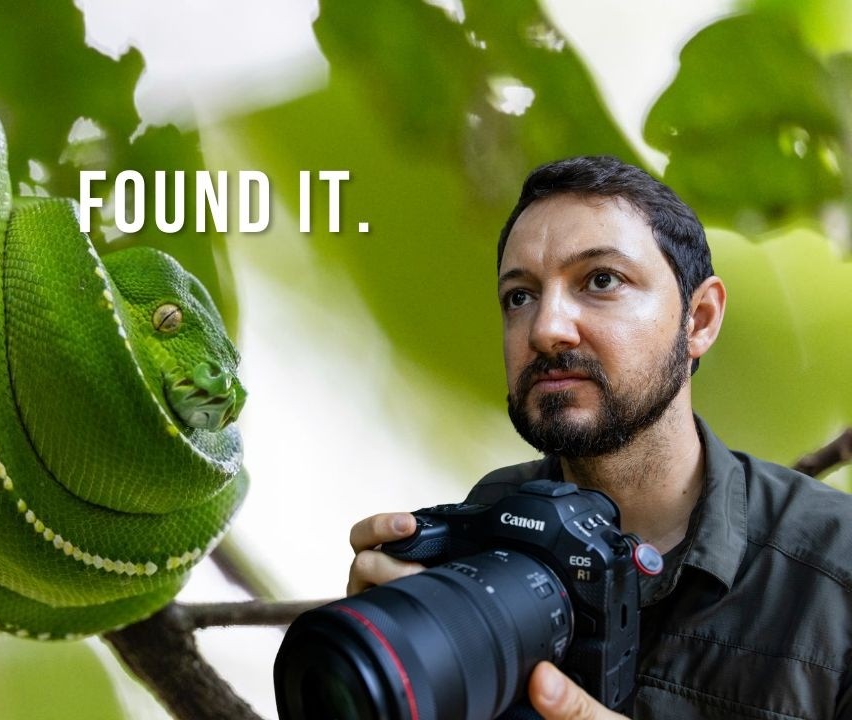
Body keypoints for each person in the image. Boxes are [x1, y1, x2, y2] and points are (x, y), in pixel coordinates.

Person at [347, 156, 852, 719]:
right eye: (520, 296)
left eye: (601, 281)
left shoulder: (835, 570)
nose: (546, 329)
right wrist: (392, 662)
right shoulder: (490, 522)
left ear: (700, 319)